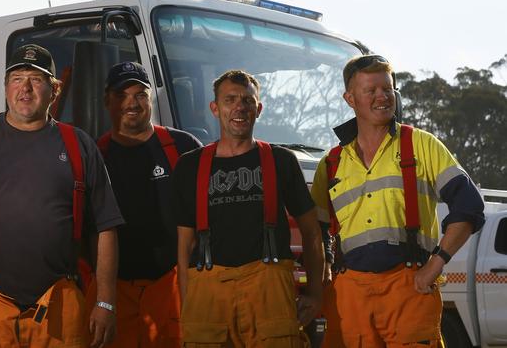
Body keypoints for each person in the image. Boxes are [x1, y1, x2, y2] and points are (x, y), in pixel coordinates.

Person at [0, 44, 123, 348]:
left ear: (54, 90)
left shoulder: (78, 145)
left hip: (59, 302)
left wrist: (106, 302)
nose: (25, 88)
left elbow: (105, 228)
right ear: (5, 88)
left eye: (37, 79)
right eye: (17, 78)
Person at [311, 54, 485, 347]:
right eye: (371, 91)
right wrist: (324, 271)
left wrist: (436, 264)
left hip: (410, 288)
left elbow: (469, 207)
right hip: (349, 295)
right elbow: (314, 228)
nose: (382, 97)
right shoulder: (331, 163)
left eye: (387, 89)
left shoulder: (422, 144)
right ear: (350, 98)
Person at [174, 70, 324, 347]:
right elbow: (184, 245)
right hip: (208, 294)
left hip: (269, 294)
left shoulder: (282, 160)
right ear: (215, 108)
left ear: (259, 109)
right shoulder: (189, 166)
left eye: (247, 100)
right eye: (230, 100)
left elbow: (312, 233)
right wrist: (188, 304)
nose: (239, 107)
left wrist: (315, 293)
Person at [85, 61, 202, 347]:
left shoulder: (183, 148)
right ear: (106, 101)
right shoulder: (93, 155)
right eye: (121, 95)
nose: (131, 103)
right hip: (112, 293)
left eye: (139, 94)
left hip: (174, 286)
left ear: (151, 98)